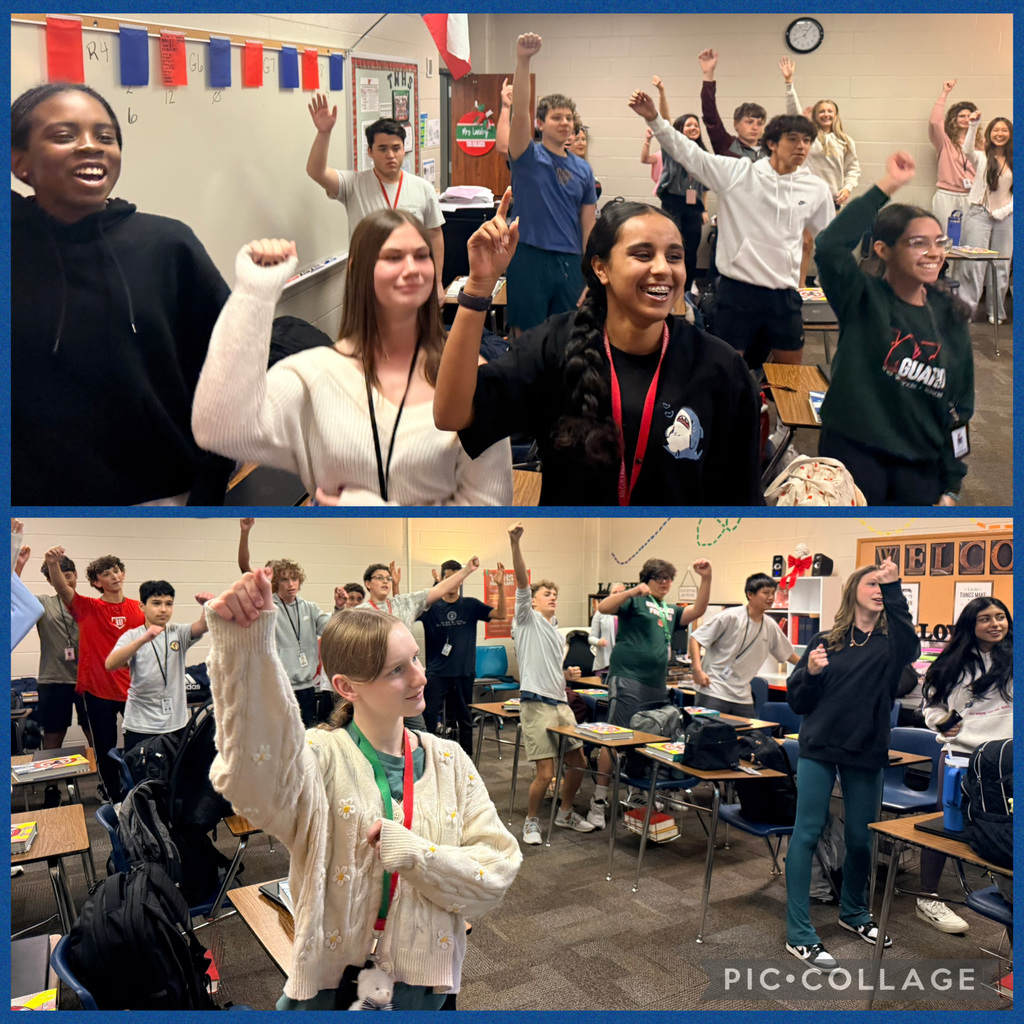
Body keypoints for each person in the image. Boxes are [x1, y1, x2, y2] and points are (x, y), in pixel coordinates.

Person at [205, 567, 521, 1009]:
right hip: (334, 987)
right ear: (346, 687)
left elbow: (498, 873)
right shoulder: (320, 757)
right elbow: (252, 782)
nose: (419, 677)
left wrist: (415, 855)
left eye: (414, 658)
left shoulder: (450, 761)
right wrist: (246, 652)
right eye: (396, 670)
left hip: (427, 984)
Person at [434, 192, 761, 506]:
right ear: (601, 268)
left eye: (674, 256)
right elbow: (451, 414)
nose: (663, 268)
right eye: (643, 254)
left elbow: (741, 495)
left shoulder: (720, 368)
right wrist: (479, 286)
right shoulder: (555, 345)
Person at [191, 212, 512, 506]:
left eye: (421, 256)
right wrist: (254, 294)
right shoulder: (314, 374)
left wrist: (371, 512)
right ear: (360, 269)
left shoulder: (467, 378)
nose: (412, 268)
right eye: (393, 257)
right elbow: (217, 430)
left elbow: (491, 504)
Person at [10, 83, 232, 506]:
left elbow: (231, 371)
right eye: (64, 136)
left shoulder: (168, 244)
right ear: (20, 162)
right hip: (38, 496)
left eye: (105, 137)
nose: (90, 147)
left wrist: (212, 478)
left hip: (164, 490)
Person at [814, 151, 974, 506]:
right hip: (855, 453)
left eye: (939, 242)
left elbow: (961, 407)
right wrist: (886, 186)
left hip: (920, 463)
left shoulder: (949, 315)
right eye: (919, 242)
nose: (934, 253)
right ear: (883, 250)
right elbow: (828, 246)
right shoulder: (862, 298)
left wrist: (951, 484)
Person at [633, 88, 834, 369]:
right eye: (793, 139)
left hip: (783, 296)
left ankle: (767, 409)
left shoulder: (815, 189)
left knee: (791, 374)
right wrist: (654, 119)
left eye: (807, 140)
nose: (801, 146)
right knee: (726, 370)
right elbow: (688, 153)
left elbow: (828, 238)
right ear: (772, 143)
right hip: (738, 293)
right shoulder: (738, 174)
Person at [784, 559, 919, 971]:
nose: (880, 589)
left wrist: (894, 586)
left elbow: (910, 644)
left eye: (886, 586)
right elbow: (798, 703)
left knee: (861, 839)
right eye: (873, 583)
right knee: (806, 834)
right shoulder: (825, 641)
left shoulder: (891, 645)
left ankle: (854, 912)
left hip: (866, 749)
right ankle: (799, 933)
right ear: (853, 590)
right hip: (820, 747)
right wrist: (808, 673)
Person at [587, 557, 711, 828]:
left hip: (655, 684)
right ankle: (598, 800)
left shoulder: (668, 609)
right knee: (615, 737)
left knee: (651, 735)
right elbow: (604, 607)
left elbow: (698, 609)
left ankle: (644, 794)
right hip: (628, 679)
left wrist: (706, 578)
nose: (665, 583)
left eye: (669, 578)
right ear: (647, 579)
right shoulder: (636, 600)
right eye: (659, 578)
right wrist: (633, 590)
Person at [917, 597, 1012, 934]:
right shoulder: (952, 663)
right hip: (960, 757)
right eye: (986, 618)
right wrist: (941, 721)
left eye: (1000, 617)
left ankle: (1008, 895)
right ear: (971, 624)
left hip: (1007, 760)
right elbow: (931, 706)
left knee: (1005, 830)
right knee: (947, 829)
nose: (995, 624)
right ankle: (927, 896)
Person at [507, 523, 597, 844]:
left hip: (560, 703)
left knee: (579, 764)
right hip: (535, 704)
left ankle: (566, 811)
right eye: (547, 594)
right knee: (545, 773)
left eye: (555, 594)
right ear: (532, 602)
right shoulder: (526, 620)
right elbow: (521, 581)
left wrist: (566, 677)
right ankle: (530, 822)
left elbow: (548, 668)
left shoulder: (555, 629)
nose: (553, 597)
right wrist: (515, 542)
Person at [504, 33, 597, 336]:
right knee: (525, 338)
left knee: (567, 335)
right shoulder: (526, 155)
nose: (565, 123)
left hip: (570, 260)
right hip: (529, 255)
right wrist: (523, 60)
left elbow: (588, 225)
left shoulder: (583, 168)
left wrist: (593, 270)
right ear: (540, 124)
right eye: (557, 117)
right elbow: (520, 111)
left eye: (569, 118)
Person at [306, 100, 445, 300]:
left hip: (412, 281)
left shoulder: (422, 188)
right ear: (370, 151)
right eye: (382, 149)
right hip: (367, 285)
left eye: (396, 148)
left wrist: (437, 282)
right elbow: (316, 172)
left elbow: (435, 235)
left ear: (403, 149)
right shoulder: (354, 184)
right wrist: (323, 133)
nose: (391, 155)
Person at [42, 545, 144, 803]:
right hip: (98, 692)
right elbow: (62, 589)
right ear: (97, 582)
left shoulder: (138, 609)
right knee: (106, 748)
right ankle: (114, 797)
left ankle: (141, 792)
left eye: (117, 570)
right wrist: (53, 564)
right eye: (107, 573)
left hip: (132, 690)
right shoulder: (86, 607)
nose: (115, 576)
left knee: (138, 745)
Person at [779, 57, 861, 285]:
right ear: (815, 114)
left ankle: (825, 285)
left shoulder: (845, 141)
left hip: (832, 198)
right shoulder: (809, 138)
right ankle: (800, 283)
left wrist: (847, 187)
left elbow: (853, 168)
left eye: (830, 111)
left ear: (835, 115)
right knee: (805, 242)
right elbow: (794, 115)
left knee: (829, 245)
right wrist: (789, 83)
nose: (826, 114)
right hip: (805, 196)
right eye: (821, 111)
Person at [11, 526, 91, 754]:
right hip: (53, 680)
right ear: (50, 580)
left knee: (94, 731)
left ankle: (105, 783)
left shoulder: (89, 606)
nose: (66, 581)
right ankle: (52, 788)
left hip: (87, 680)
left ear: (75, 575)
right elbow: (13, 596)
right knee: (54, 735)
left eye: (70, 576)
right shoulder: (43, 603)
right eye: (59, 577)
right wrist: (18, 564)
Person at [105, 582, 213, 749]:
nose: (163, 609)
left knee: (177, 774)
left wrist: (207, 606)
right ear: (142, 606)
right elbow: (110, 664)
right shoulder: (132, 636)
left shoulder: (177, 632)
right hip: (141, 725)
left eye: (168, 604)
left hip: (176, 723)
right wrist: (142, 640)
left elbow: (202, 626)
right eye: (156, 603)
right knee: (144, 774)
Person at [418, 560, 507, 755]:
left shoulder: (470, 605)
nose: (454, 582)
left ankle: (466, 758)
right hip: (437, 673)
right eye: (448, 578)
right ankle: (428, 756)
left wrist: (500, 586)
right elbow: (403, 613)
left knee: (464, 718)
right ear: (441, 579)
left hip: (463, 671)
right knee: (429, 717)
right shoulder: (431, 607)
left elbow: (501, 614)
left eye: (457, 578)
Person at [689, 573, 800, 716]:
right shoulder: (731, 616)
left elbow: (788, 654)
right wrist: (697, 671)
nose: (771, 597)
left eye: (773, 593)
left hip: (742, 696)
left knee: (747, 737)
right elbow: (696, 638)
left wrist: (810, 665)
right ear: (750, 594)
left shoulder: (770, 625)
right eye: (765, 593)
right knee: (709, 734)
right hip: (713, 689)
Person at [958, 114, 1013, 324]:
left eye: (1004, 130)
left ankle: (996, 311)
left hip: (1006, 218)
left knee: (1001, 264)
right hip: (978, 215)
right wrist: (973, 125)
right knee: (973, 264)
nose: (999, 134)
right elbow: (967, 149)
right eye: (995, 130)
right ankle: (967, 310)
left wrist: (1004, 211)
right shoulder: (981, 157)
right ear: (990, 134)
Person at [928, 80, 978, 241]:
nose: (965, 119)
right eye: (961, 116)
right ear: (954, 119)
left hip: (970, 196)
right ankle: (944, 267)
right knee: (944, 238)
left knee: (966, 240)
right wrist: (944, 93)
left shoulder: (980, 144)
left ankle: (962, 268)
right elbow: (935, 122)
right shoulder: (945, 142)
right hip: (947, 195)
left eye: (968, 116)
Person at [697, 48, 767, 160]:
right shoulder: (727, 144)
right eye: (749, 122)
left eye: (760, 123)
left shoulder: (772, 149)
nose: (755, 128)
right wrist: (708, 76)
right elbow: (710, 116)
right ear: (736, 124)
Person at [588, 582, 626, 680]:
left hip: (625, 666)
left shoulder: (631, 613)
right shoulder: (601, 611)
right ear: (610, 595)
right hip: (605, 665)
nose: (617, 595)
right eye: (614, 592)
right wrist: (599, 642)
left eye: (621, 592)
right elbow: (591, 638)